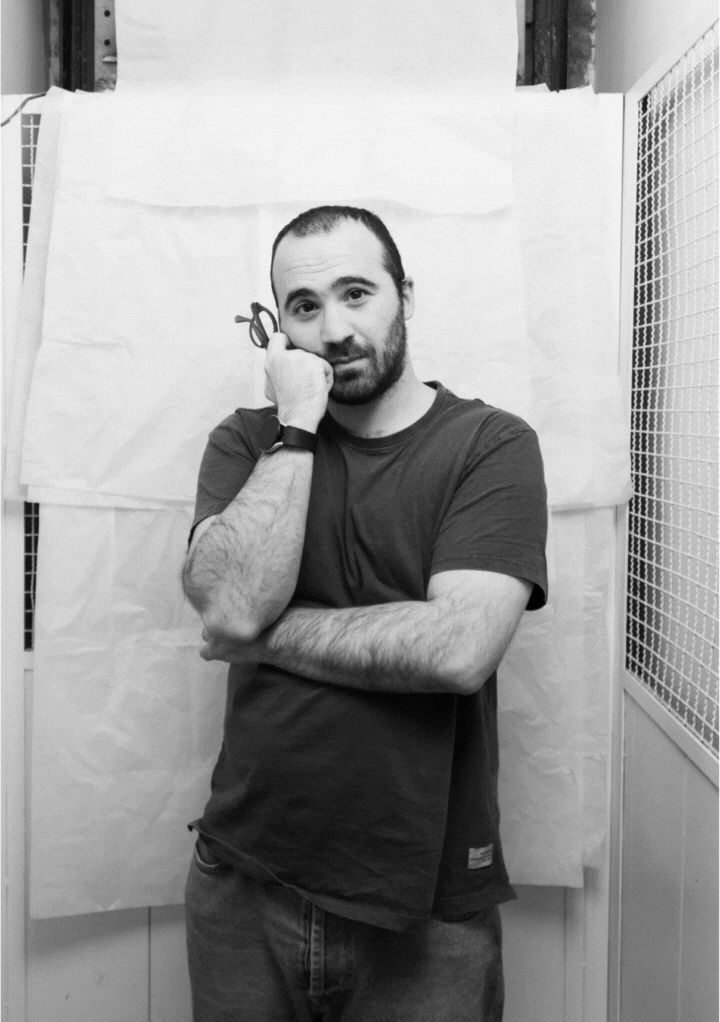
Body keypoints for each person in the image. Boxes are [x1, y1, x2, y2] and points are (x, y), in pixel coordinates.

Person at [181, 205, 548, 1022]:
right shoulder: (247, 444)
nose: (336, 328)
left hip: (427, 906)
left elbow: (457, 650)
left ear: (404, 296)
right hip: (245, 881)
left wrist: (267, 640)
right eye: (306, 307)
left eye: (357, 293)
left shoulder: (490, 445)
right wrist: (299, 427)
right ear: (279, 330)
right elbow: (232, 601)